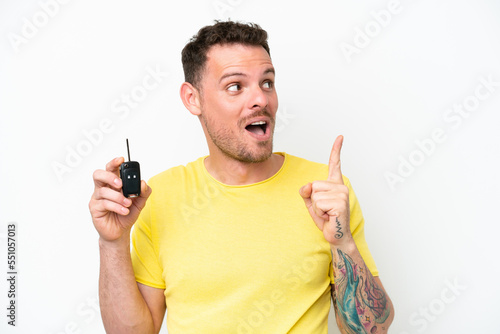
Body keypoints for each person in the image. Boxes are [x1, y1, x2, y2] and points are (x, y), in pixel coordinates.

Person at [89, 20, 394, 334]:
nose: (261, 99)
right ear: (193, 98)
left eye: (267, 82)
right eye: (235, 86)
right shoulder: (161, 196)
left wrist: (343, 243)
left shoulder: (325, 193)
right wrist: (112, 243)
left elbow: (371, 330)